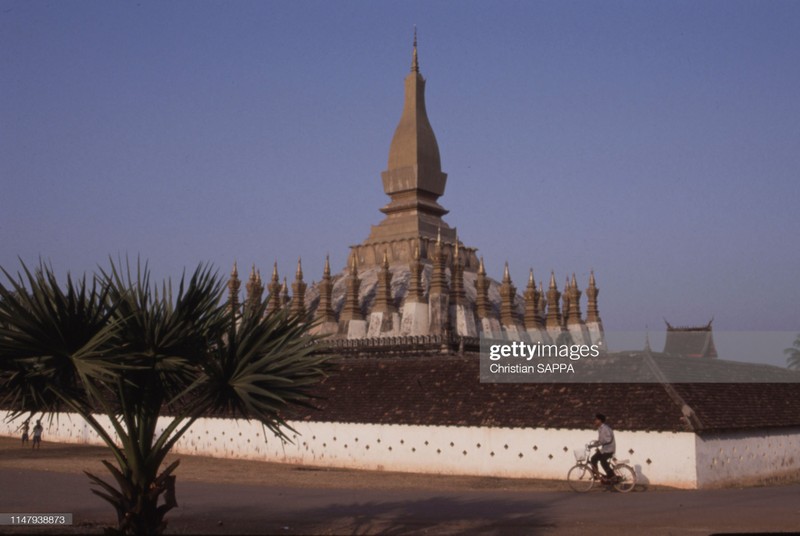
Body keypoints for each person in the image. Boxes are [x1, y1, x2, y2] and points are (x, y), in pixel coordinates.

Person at [589, 413, 615, 481]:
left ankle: (611, 475)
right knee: (593, 459)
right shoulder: (600, 428)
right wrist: (596, 443)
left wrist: (600, 443)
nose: (595, 421)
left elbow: (608, 439)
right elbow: (601, 440)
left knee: (603, 461)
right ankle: (596, 475)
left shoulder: (606, 428)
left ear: (600, 420)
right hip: (604, 449)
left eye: (596, 420)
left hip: (609, 449)